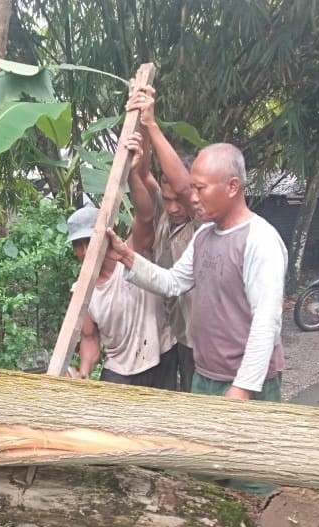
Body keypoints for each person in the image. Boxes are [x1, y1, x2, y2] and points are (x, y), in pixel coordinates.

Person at [107, 142, 288, 527]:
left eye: (201, 188)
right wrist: (127, 257)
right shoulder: (205, 236)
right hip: (208, 374)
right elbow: (171, 283)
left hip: (249, 383)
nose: (193, 196)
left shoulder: (260, 240)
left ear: (233, 186)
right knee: (207, 464)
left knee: (251, 471)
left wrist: (242, 389)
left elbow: (267, 320)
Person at [126, 85, 198, 391]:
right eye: (167, 200)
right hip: (175, 334)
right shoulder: (165, 216)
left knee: (203, 405)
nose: (173, 207)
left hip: (201, 338)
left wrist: (152, 123)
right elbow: (144, 179)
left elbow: (183, 188)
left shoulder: (203, 220)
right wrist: (138, 136)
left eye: (178, 200)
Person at [68, 194, 178, 387]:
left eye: (89, 241)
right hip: (120, 370)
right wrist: (83, 374)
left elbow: (145, 216)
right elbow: (89, 338)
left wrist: (137, 172)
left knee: (163, 416)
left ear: (105, 237)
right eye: (78, 245)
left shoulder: (130, 255)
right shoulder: (81, 292)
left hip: (161, 356)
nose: (85, 251)